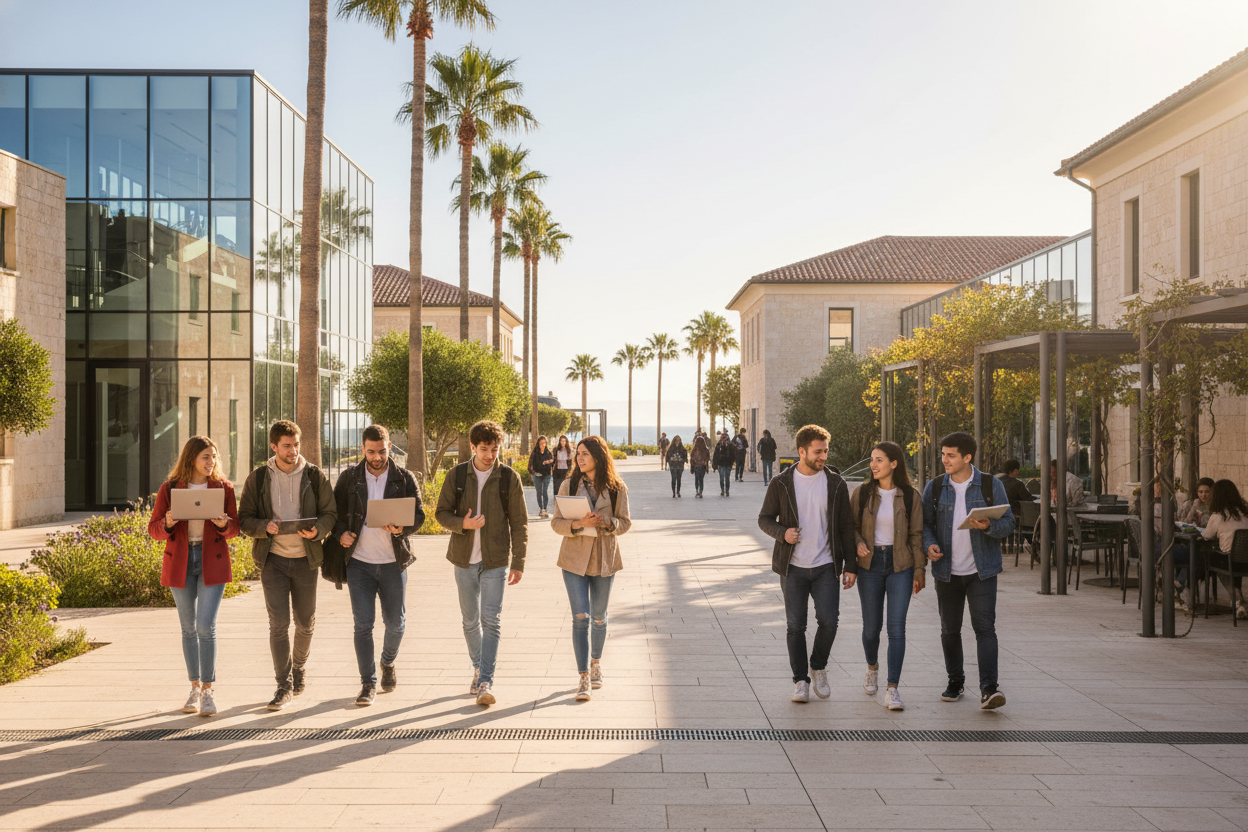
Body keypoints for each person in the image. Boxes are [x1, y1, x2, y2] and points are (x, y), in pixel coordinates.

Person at [238, 420, 336, 711]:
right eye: (286, 446)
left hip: (306, 560)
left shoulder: (315, 476)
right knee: (278, 624)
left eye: (296, 445)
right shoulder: (257, 478)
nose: (293, 451)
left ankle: (299, 667)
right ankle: (283, 685)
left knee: (305, 623)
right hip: (273, 562)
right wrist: (263, 527)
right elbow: (245, 518)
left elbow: (329, 512)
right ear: (273, 446)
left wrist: (318, 530)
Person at [757, 424, 857, 703]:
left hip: (826, 565)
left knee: (829, 622)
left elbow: (847, 527)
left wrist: (851, 566)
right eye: (817, 452)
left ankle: (819, 665)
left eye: (825, 451)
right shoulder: (781, 483)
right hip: (793, 567)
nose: (823, 456)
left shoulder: (836, 483)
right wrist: (782, 533)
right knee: (795, 626)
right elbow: (764, 518)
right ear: (801, 451)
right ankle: (800, 680)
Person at [435, 420, 528, 706]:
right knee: (470, 620)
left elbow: (520, 523)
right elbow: (440, 513)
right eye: (484, 449)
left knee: (492, 620)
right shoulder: (457, 476)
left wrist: (519, 561)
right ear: (473, 447)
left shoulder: (509, 478)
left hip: (496, 560)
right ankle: (477, 665)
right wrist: (462, 522)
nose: (490, 455)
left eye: (495, 448)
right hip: (463, 560)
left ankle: (486, 679)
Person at [330, 425, 424, 707]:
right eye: (371, 451)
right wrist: (340, 534)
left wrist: (399, 529)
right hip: (359, 564)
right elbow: (333, 515)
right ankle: (367, 683)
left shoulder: (404, 478)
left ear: (389, 448)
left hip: (394, 562)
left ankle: (387, 661)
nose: (377, 457)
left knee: (396, 623)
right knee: (363, 625)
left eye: (382, 451)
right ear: (363, 449)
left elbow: (418, 516)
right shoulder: (349, 478)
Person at [922, 432, 1016, 710]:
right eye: (943, 454)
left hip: (982, 571)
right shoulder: (936, 487)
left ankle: (989, 689)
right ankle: (955, 681)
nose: (945, 460)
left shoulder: (989, 484)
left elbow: (1009, 522)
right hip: (947, 570)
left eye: (951, 455)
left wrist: (989, 526)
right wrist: (929, 545)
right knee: (949, 630)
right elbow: (926, 524)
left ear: (967, 457)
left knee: (985, 628)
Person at [147, 436, 239, 717]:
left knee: (205, 626)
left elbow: (235, 528)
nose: (211, 462)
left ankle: (209, 691)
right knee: (188, 628)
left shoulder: (223, 488)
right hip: (182, 562)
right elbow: (154, 530)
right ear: (191, 460)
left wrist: (224, 525)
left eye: (214, 457)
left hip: (213, 561)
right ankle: (194, 687)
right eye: (205, 458)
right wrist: (169, 522)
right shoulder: (170, 488)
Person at [551, 436, 632, 701]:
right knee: (580, 618)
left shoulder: (618, 488)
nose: (580, 458)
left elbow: (625, 523)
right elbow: (556, 523)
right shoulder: (568, 484)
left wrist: (606, 522)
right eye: (578, 454)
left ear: (598, 456)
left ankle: (596, 663)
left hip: (604, 560)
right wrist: (578, 524)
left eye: (585, 453)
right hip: (573, 560)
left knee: (599, 617)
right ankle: (583, 676)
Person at [850, 441, 924, 711]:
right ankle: (872, 666)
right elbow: (852, 526)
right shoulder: (862, 493)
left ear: (894, 463)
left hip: (900, 566)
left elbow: (916, 536)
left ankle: (893, 688)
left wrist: (919, 570)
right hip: (869, 565)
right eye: (872, 460)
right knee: (871, 629)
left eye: (879, 460)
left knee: (896, 628)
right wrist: (857, 542)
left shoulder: (911, 496)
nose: (873, 465)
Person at [1201, 479, 1248, 620]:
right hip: (1246, 560)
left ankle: (1235, 595)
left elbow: (1207, 536)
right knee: (1235, 558)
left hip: (1230, 560)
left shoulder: (1218, 516)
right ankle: (1238, 596)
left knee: (1214, 557)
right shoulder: (1245, 513)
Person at [529, 436, 555, 519]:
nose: (543, 445)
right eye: (541, 443)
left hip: (547, 475)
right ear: (538, 443)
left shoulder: (548, 453)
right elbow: (530, 464)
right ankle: (541, 509)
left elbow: (552, 464)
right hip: (537, 475)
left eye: (544, 443)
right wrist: (533, 473)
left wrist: (549, 462)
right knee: (539, 492)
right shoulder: (535, 453)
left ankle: (545, 509)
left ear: (546, 443)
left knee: (545, 492)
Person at [713, 433, 736, 497]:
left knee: (727, 478)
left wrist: (732, 462)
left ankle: (727, 490)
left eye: (726, 438)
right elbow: (715, 455)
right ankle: (722, 490)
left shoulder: (731, 445)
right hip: (721, 464)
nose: (724, 440)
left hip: (728, 464)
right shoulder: (718, 445)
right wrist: (715, 464)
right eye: (723, 438)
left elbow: (734, 454)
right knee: (722, 478)